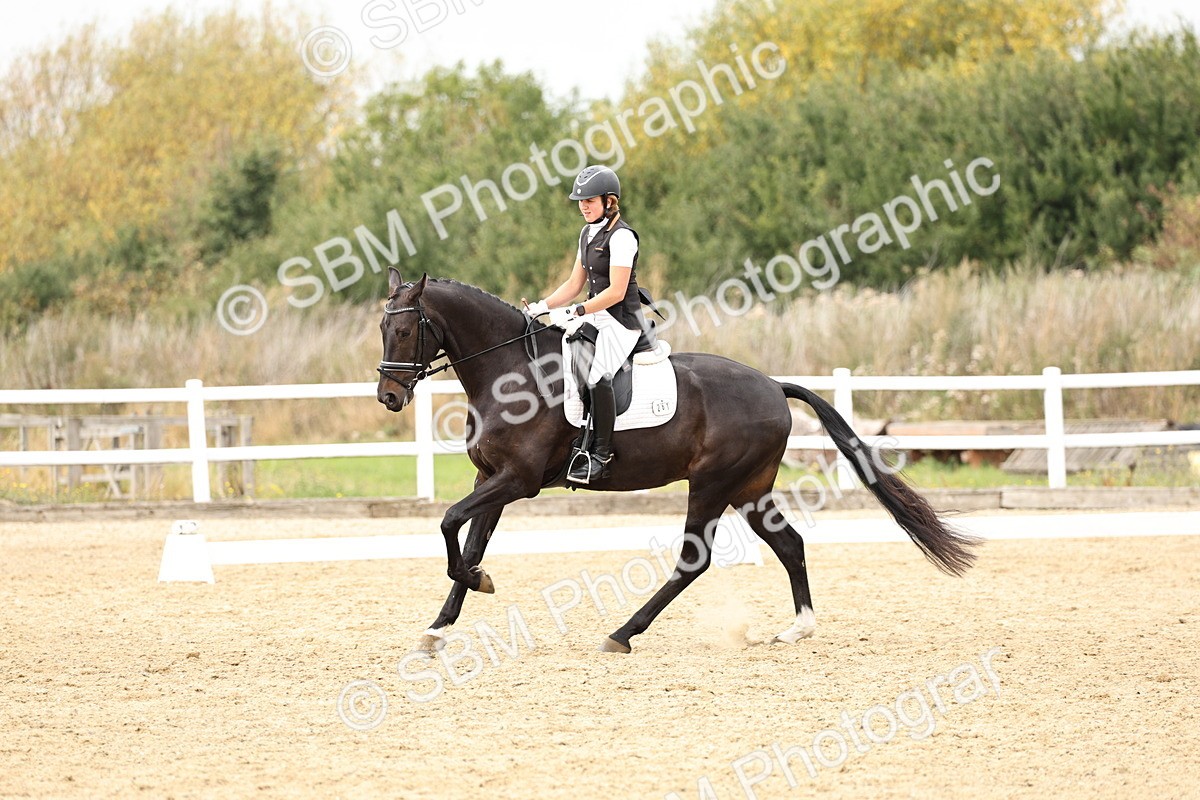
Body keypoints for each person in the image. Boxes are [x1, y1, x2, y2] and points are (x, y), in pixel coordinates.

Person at [524, 165, 652, 484]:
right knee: (565, 357)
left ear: (609, 201)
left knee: (597, 376)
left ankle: (601, 455)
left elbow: (617, 291)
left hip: (623, 321)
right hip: (596, 315)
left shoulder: (623, 237)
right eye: (580, 201)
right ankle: (575, 439)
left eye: (589, 201)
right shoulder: (586, 233)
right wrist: (542, 306)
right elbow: (573, 283)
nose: (583, 206)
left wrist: (577, 311)